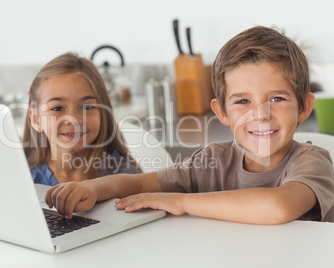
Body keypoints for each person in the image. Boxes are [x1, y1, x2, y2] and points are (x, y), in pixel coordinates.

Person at [43, 26, 334, 224]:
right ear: (222, 112)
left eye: (277, 98)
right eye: (242, 101)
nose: (260, 114)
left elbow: (278, 206)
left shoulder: (311, 162)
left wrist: (182, 202)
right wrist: (93, 188)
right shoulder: (213, 160)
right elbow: (137, 182)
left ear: (304, 107)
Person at [22, 52, 141, 186]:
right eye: (58, 108)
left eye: (87, 107)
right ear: (36, 119)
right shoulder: (21, 175)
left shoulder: (124, 175)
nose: (74, 119)